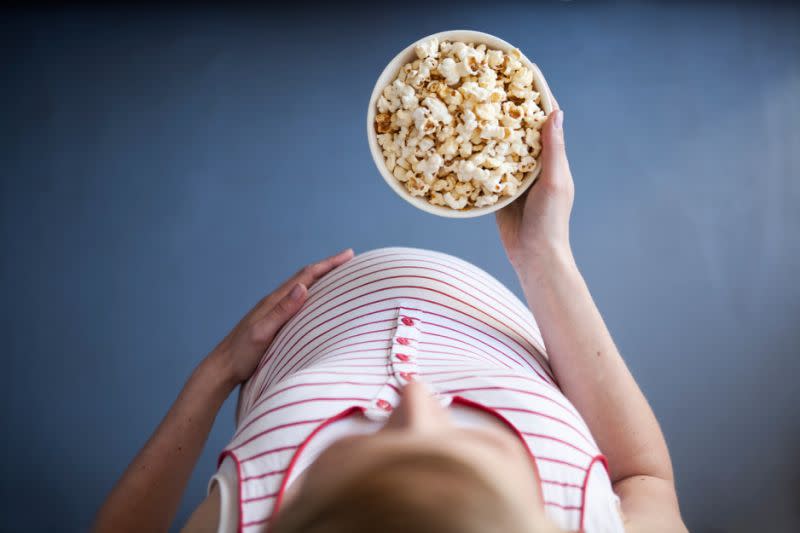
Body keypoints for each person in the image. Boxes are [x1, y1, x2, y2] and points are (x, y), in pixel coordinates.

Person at [93, 106, 687, 533]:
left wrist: (220, 371)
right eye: (461, 450)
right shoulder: (584, 519)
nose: (416, 399)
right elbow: (644, 478)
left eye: (382, 444)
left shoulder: (247, 517)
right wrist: (544, 257)